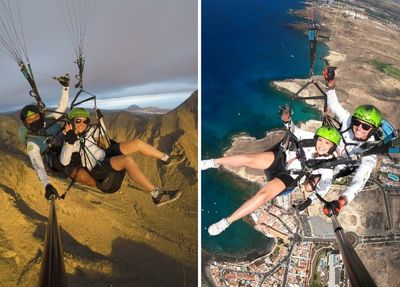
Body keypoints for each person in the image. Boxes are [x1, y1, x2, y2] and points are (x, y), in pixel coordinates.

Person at [201, 109, 341, 236]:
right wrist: (286, 118)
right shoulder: (308, 138)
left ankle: (226, 222)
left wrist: (309, 201)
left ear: (332, 147)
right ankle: (214, 162)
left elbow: (324, 188)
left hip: (290, 176)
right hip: (281, 158)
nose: (321, 145)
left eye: (327, 143)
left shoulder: (327, 166)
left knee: (263, 196)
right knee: (249, 159)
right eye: (321, 140)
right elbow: (292, 128)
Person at [60, 107, 181, 206]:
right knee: (127, 160)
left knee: (137, 143)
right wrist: (69, 142)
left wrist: (100, 119)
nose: (82, 124)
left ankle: (166, 158)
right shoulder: (70, 140)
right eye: (78, 121)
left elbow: (102, 132)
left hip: (106, 155)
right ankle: (157, 195)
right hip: (98, 168)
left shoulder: (89, 131)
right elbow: (64, 162)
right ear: (71, 122)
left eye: (85, 121)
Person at [18, 76, 96, 200]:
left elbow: (62, 106)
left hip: (71, 143)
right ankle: (102, 183)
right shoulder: (32, 143)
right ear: (26, 123)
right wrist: (47, 185)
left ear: (41, 116)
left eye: (36, 117)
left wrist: (65, 87)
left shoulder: (49, 120)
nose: (34, 121)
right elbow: (38, 165)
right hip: (59, 159)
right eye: (30, 119)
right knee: (83, 176)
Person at [322, 82, 382, 216]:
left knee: (316, 183)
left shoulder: (370, 151)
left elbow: (359, 180)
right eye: (357, 123)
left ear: (373, 131)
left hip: (343, 167)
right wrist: (331, 86)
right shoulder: (348, 120)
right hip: (331, 153)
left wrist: (341, 202)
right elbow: (334, 105)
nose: (359, 128)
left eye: (366, 127)